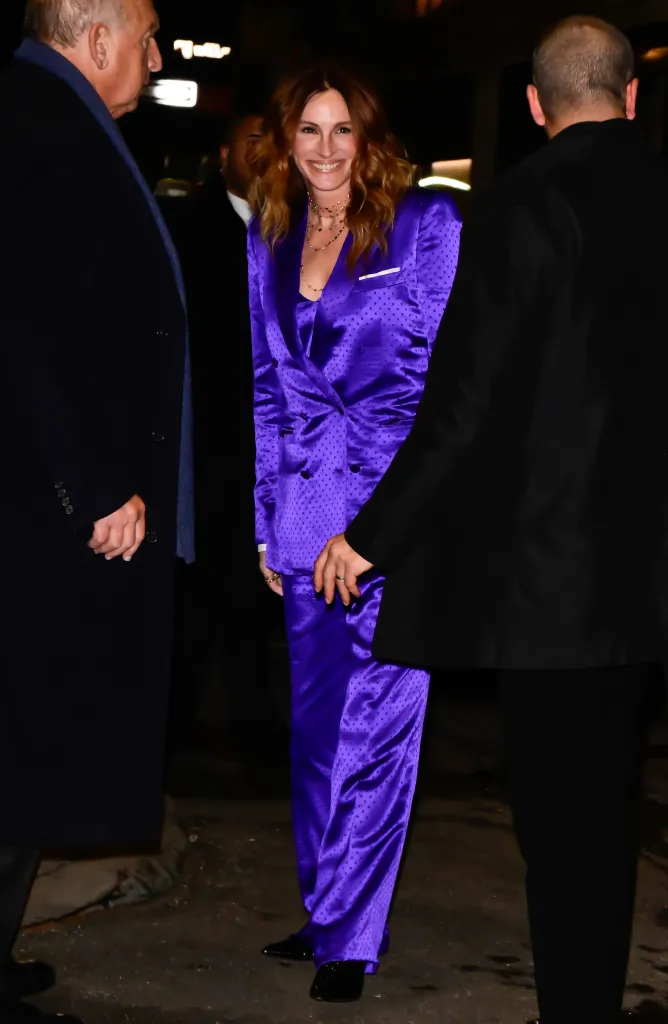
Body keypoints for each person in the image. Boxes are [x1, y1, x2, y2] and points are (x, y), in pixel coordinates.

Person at [316, 16, 668, 1024]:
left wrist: (370, 533)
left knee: (560, 826)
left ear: (531, 105)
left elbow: (462, 408)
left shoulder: (517, 208)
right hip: (644, 573)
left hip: (550, 584)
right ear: (631, 95)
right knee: (604, 813)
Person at [248, 63, 461, 1003]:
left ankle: (353, 939)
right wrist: (267, 520)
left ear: (369, 140)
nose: (327, 152)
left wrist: (402, 520)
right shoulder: (271, 236)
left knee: (379, 727)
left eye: (343, 132)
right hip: (304, 511)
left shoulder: (426, 227)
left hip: (392, 515)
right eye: (309, 133)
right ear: (285, 144)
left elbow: (455, 394)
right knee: (315, 728)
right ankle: (324, 907)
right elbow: (268, 385)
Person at [0, 0, 193, 1019]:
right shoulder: (38, 120)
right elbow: (21, 324)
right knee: (19, 738)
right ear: (99, 32)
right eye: (151, 36)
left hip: (55, 498)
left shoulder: (59, 114)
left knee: (26, 743)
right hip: (50, 505)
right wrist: (88, 481)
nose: (158, 58)